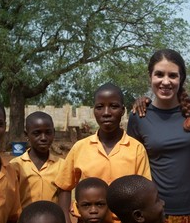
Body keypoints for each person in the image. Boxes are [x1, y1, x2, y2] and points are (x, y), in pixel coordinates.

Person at [127, 49, 190, 222]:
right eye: (159, 74)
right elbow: (134, 165)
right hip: (157, 212)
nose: (165, 81)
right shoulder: (138, 115)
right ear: (150, 76)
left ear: (181, 78)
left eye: (172, 75)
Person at [55, 83, 151, 223]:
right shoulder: (80, 148)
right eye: (100, 107)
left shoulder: (136, 149)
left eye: (113, 106)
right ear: (94, 111)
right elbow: (64, 186)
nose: (106, 112)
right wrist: (65, 218)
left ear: (123, 110)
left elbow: (144, 192)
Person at [10, 111, 65, 208]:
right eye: (37, 133)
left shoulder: (62, 165)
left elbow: (64, 196)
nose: (43, 138)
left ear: (54, 133)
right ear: (26, 135)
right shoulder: (15, 165)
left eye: (48, 132)